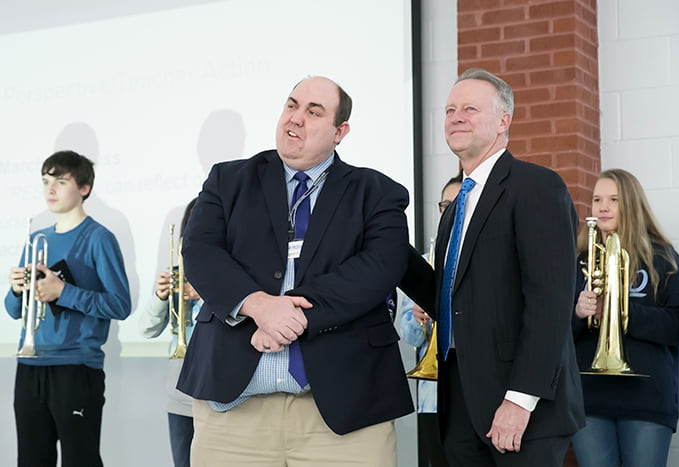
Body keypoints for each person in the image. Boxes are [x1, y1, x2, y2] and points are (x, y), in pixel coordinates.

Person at [176, 76, 413, 466]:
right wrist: (258, 306)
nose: (296, 118)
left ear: (340, 132)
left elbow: (380, 267)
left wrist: (292, 316)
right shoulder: (228, 180)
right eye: (292, 105)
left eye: (313, 111)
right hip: (233, 414)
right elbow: (200, 251)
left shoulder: (377, 192)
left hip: (345, 416)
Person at [400, 68, 584, 466]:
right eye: (450, 110)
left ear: (504, 121)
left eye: (469, 108)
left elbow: (550, 302)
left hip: (521, 404)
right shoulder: (456, 209)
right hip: (462, 402)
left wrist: (520, 400)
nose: (456, 117)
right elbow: (448, 297)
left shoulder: (536, 186)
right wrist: (392, 250)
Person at [5, 150, 131, 467]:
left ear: (84, 188)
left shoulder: (100, 238)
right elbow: (12, 310)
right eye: (46, 181)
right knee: (31, 460)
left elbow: (120, 304)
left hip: (76, 366)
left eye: (60, 182)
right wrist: (17, 290)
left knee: (80, 460)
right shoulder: (36, 238)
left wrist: (63, 292)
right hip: (30, 364)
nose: (50, 190)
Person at [571, 169, 679, 467]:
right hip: (589, 398)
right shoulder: (578, 260)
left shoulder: (662, 257)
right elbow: (552, 331)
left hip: (647, 398)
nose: (603, 206)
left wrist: (620, 312)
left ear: (632, 204)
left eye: (614, 199)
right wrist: (577, 314)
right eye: (597, 199)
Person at [398, 174, 461, 467]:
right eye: (444, 205)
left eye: (458, 204)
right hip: (430, 397)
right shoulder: (424, 261)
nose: (449, 211)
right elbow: (408, 335)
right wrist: (416, 317)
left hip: (471, 393)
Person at [139, 198, 201, 467]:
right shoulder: (179, 273)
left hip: (225, 399)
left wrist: (208, 294)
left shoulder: (235, 277)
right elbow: (147, 329)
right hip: (180, 397)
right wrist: (159, 295)